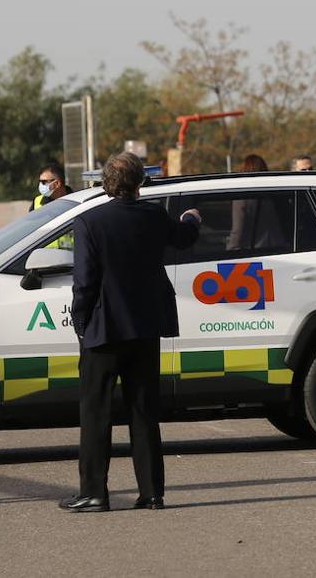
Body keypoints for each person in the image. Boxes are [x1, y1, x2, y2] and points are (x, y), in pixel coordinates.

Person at [61, 152, 202, 513]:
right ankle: (152, 492)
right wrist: (192, 218)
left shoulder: (89, 222)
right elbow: (185, 237)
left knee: (96, 414)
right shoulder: (154, 215)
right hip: (145, 328)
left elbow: (85, 283)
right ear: (141, 182)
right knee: (143, 412)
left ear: (106, 182)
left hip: (104, 330)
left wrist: (80, 324)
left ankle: (94, 493)